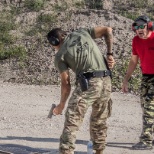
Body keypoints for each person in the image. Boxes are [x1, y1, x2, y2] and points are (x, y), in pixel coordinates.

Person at [47, 26, 115, 154]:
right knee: (99, 120)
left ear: (54, 41)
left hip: (90, 83)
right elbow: (108, 30)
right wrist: (110, 54)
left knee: (72, 118)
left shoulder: (60, 56)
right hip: (106, 81)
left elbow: (66, 84)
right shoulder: (82, 32)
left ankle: (66, 151)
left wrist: (61, 105)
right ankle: (99, 151)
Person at [122, 15, 154, 150]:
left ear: (149, 26)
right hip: (146, 77)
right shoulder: (136, 41)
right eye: (136, 27)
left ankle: (146, 141)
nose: (139, 29)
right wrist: (126, 79)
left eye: (142, 26)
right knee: (145, 106)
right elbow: (134, 61)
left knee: (149, 108)